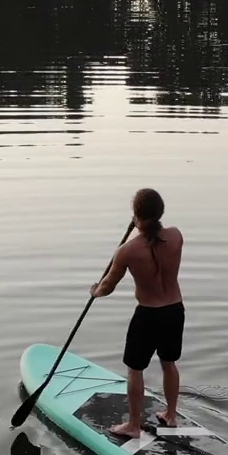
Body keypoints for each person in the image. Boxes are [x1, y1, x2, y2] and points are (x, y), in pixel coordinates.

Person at [90, 188, 184, 440]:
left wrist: (95, 291)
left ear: (135, 215)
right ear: (160, 211)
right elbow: (155, 238)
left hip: (148, 315)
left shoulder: (127, 251)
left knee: (135, 369)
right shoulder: (176, 236)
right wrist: (141, 225)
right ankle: (171, 414)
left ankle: (133, 425)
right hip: (175, 310)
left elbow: (107, 286)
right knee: (169, 363)